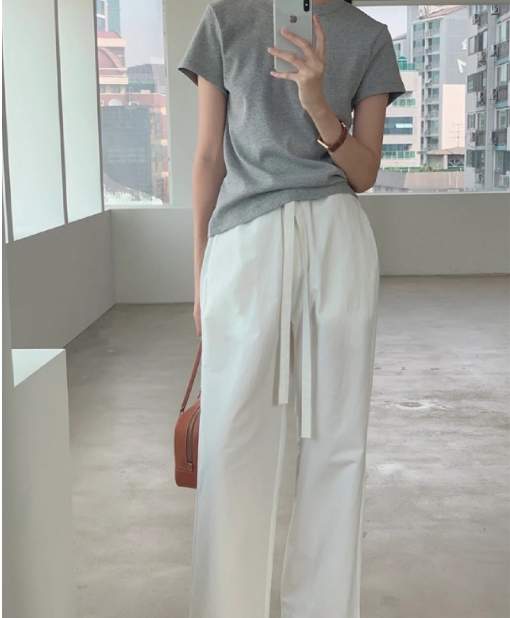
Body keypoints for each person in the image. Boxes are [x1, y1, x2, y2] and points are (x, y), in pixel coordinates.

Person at [178, 0, 406, 616]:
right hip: (244, 246)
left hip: (337, 243)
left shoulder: (367, 35)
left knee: (338, 443)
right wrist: (200, 274)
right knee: (232, 441)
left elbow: (364, 172)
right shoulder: (225, 21)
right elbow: (208, 157)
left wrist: (317, 104)